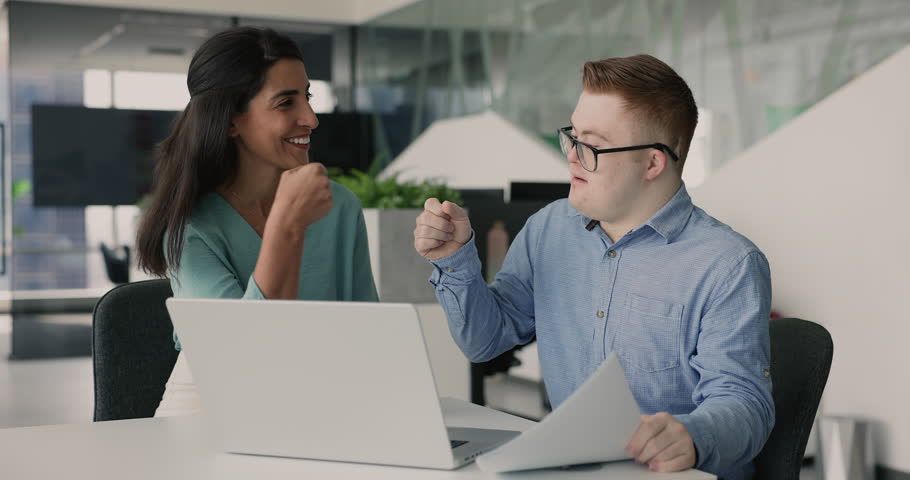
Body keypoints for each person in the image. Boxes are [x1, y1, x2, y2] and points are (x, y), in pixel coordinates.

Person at [413, 54, 772, 480]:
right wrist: (455, 260)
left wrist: (691, 435)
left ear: (653, 163)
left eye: (593, 146)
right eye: (572, 136)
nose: (572, 157)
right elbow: (485, 341)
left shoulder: (727, 264)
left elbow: (745, 403)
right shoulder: (549, 228)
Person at [136, 27, 378, 417]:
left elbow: (369, 336)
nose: (311, 118)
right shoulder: (191, 226)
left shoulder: (339, 206)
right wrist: (287, 225)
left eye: (308, 97)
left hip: (314, 407)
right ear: (232, 121)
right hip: (209, 412)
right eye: (286, 103)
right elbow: (243, 360)